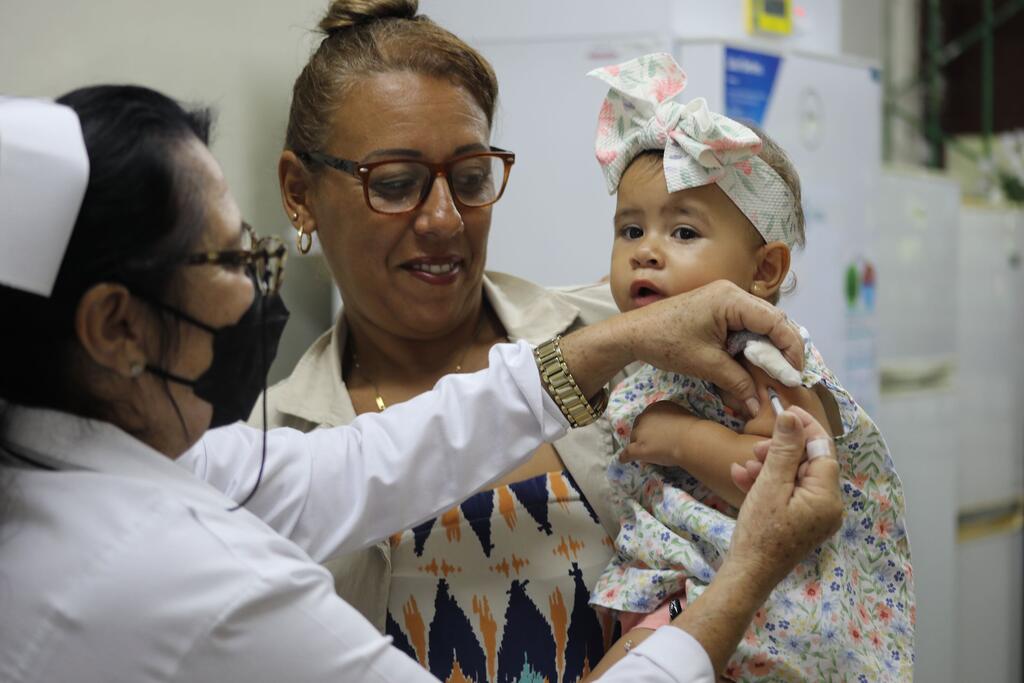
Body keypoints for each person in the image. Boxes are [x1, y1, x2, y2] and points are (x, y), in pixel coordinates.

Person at [0, 88, 842, 683]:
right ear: (115, 325)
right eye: (229, 259)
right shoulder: (187, 576)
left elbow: (367, 464)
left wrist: (613, 343)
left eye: (469, 178)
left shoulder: (84, 471)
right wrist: (743, 579)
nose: (255, 287)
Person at [263, 2, 658, 679]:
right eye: (396, 184)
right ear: (300, 193)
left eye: (472, 178)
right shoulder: (272, 445)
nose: (445, 220)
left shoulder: (619, 342)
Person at [579, 53, 915, 681]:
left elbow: (780, 478)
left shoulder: (765, 354)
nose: (646, 252)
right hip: (670, 582)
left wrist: (681, 437)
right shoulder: (637, 352)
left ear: (763, 271)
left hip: (750, 603)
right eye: (630, 231)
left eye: (683, 233)